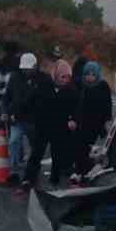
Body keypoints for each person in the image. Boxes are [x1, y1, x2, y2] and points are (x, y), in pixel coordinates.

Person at [24, 59, 77, 188]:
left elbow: (76, 107)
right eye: (63, 77)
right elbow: (30, 101)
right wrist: (26, 115)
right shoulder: (44, 85)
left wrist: (73, 119)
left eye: (68, 77)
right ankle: (29, 179)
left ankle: (54, 180)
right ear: (56, 75)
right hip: (42, 125)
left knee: (57, 154)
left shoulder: (71, 90)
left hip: (60, 127)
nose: (65, 80)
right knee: (37, 153)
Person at [3, 52, 48, 184]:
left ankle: (33, 171)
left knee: (35, 147)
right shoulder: (15, 78)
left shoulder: (43, 79)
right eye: (24, 68)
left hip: (35, 120)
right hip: (17, 118)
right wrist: (5, 112)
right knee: (13, 142)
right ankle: (14, 172)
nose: (26, 71)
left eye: (28, 68)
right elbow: (7, 97)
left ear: (35, 66)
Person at [71, 60, 114, 177]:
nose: (90, 77)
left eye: (93, 74)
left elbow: (107, 104)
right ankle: (80, 172)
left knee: (88, 149)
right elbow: (75, 104)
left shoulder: (103, 86)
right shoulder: (81, 85)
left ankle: (83, 172)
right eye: (87, 74)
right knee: (79, 148)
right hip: (81, 123)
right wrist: (72, 118)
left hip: (96, 124)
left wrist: (107, 120)